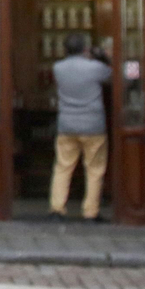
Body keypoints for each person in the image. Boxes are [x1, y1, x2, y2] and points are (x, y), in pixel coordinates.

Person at [49, 33, 112, 223]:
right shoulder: (95, 68)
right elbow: (112, 75)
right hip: (93, 125)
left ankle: (57, 208)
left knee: (63, 167)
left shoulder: (58, 68)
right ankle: (90, 212)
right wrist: (102, 56)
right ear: (85, 49)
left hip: (67, 124)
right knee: (94, 169)